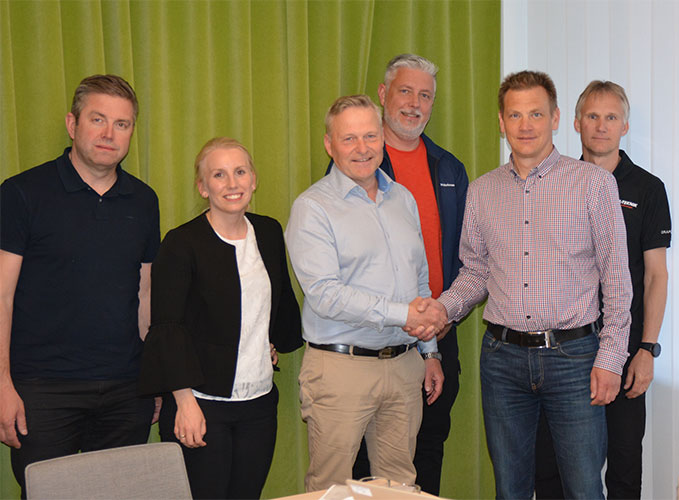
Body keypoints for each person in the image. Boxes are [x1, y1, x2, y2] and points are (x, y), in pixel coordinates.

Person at [434, 70, 633, 499]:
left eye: (536, 114)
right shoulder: (482, 192)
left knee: (583, 489)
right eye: (515, 115)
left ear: (556, 118)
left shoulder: (594, 184)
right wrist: (442, 309)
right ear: (501, 122)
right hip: (502, 360)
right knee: (511, 489)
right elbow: (475, 272)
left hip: (575, 360)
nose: (525, 125)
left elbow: (617, 280)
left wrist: (611, 358)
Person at [0, 74, 160, 497]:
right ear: (72, 124)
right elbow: (2, 296)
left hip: (127, 389)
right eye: (97, 119)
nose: (109, 134)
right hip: (43, 391)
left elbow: (145, 295)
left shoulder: (144, 201)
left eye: (122, 124)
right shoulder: (22, 193)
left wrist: (155, 377)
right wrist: (1, 385)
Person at [286, 94, 447, 492]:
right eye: (349, 138)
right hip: (341, 369)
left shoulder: (403, 199)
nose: (362, 148)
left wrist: (429, 352)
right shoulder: (313, 207)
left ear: (382, 139)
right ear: (330, 145)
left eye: (370, 136)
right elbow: (325, 295)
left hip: (405, 364)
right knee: (330, 489)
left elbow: (419, 281)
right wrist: (403, 315)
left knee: (399, 487)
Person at [326, 53, 468, 495]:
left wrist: (441, 320)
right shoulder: (360, 162)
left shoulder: (449, 168)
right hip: (371, 341)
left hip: (436, 334)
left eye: (424, 95)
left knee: (427, 450)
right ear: (384, 94)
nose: (414, 104)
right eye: (405, 91)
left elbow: (465, 255)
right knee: (363, 467)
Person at [137, 137, 302, 499]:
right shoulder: (181, 243)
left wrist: (266, 341)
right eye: (219, 175)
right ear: (203, 187)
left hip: (258, 403)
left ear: (254, 180)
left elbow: (273, 302)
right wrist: (184, 403)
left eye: (240, 172)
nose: (232, 184)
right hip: (201, 403)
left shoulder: (269, 232)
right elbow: (167, 328)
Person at [534, 81, 672, 500]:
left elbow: (656, 276)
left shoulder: (647, 189)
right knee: (555, 466)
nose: (601, 126)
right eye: (592, 116)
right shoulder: (555, 183)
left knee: (624, 465)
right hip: (565, 349)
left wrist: (647, 349)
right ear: (576, 123)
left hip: (625, 349)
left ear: (624, 126)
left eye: (611, 117)